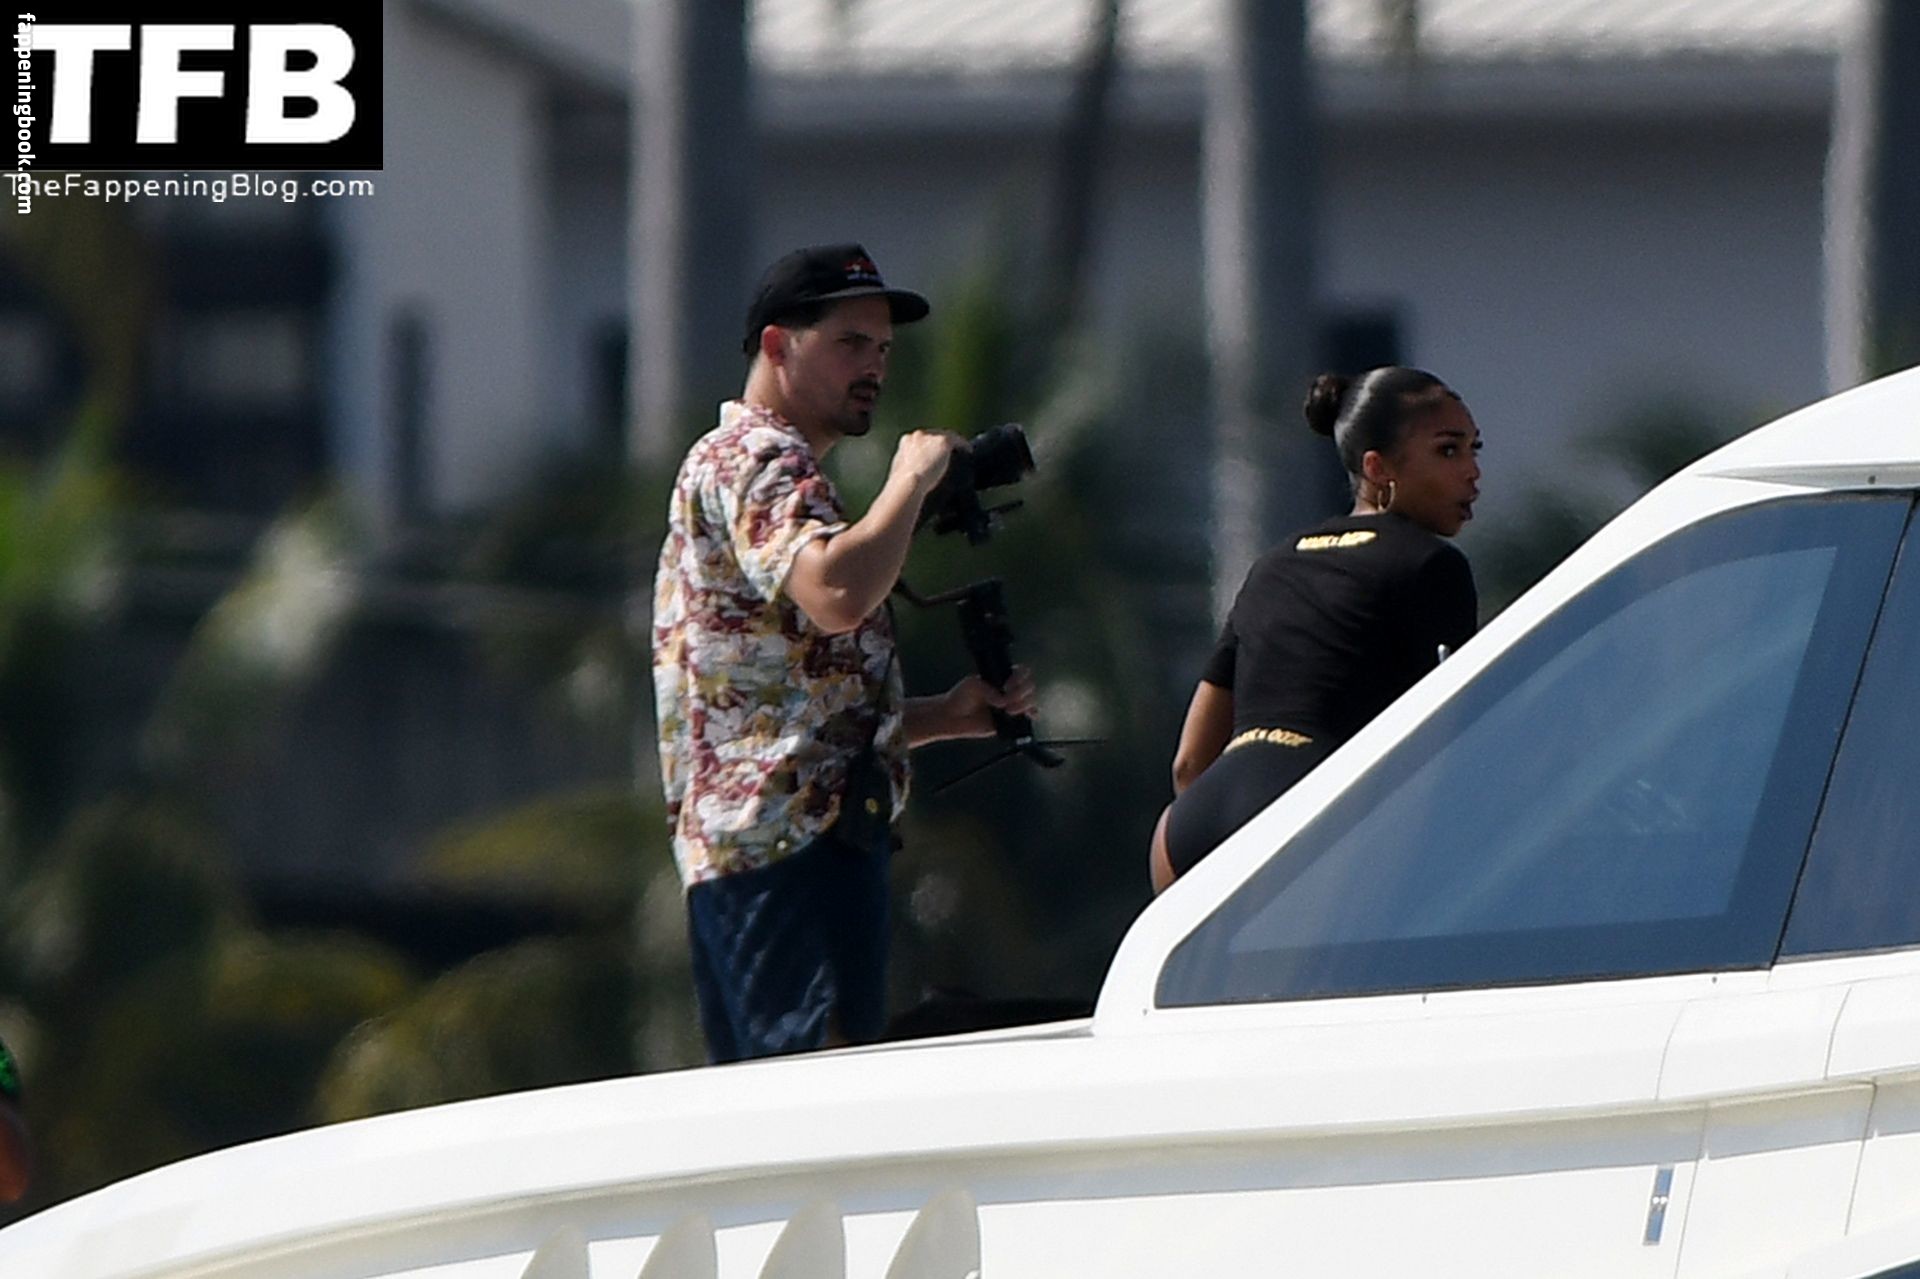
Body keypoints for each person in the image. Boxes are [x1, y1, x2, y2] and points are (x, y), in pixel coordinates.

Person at [652, 243, 1037, 1063]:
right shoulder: (756, 456)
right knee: (812, 1087)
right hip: (781, 849)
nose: (874, 368)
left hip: (787, 845)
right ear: (777, 345)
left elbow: (791, 705)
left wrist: (944, 716)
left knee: (813, 1088)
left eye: (884, 350)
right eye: (851, 343)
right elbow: (836, 593)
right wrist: (910, 479)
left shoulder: (764, 465)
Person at [1149, 366, 1483, 892]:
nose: (1472, 472)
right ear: (1377, 468)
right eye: (1448, 451)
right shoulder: (1431, 565)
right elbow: (1446, 751)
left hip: (1191, 825)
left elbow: (1189, 764)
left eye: (1473, 449)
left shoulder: (1274, 564)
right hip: (1312, 817)